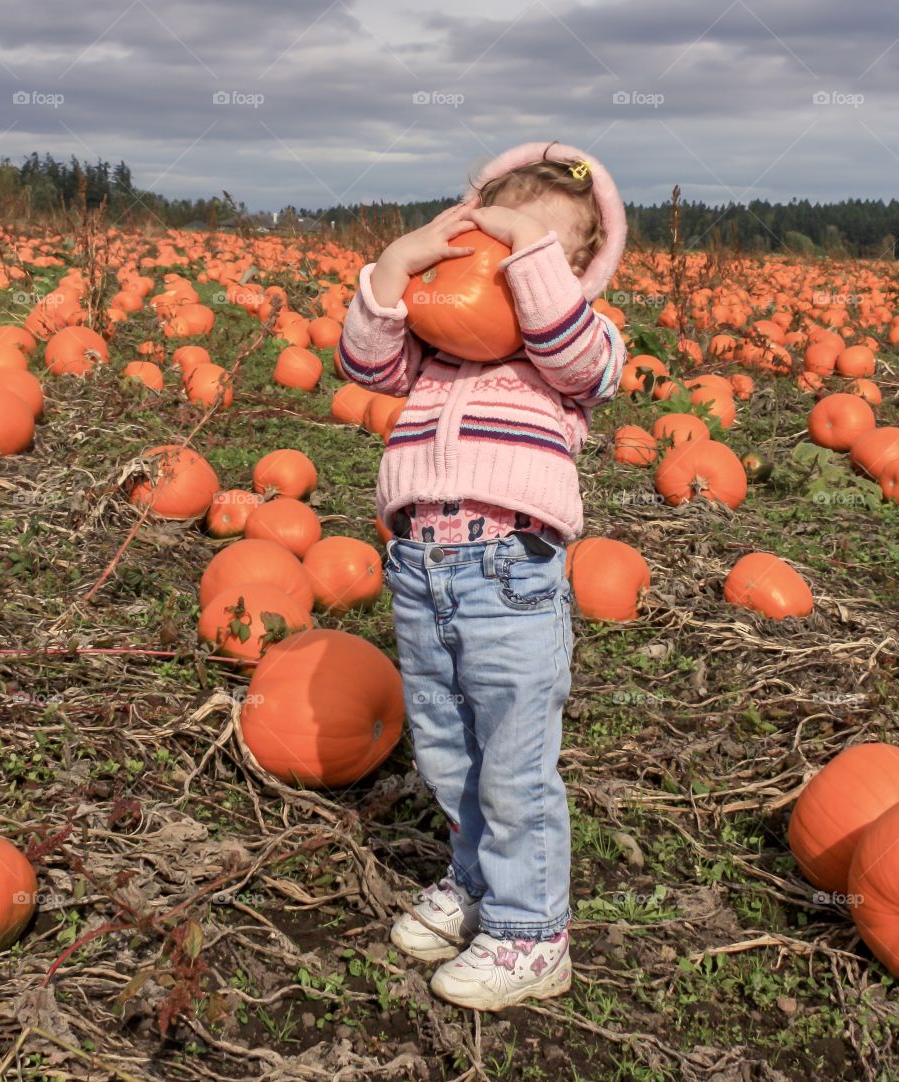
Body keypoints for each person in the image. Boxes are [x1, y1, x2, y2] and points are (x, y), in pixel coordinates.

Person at [336, 140, 627, 1010]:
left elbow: (582, 356)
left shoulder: (573, 352)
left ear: (571, 268)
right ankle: (476, 882)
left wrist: (528, 260)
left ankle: (533, 932)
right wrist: (395, 271)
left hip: (511, 576)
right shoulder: (436, 355)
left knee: (513, 761)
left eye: (530, 249)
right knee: (446, 748)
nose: (501, 263)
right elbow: (365, 367)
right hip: (420, 571)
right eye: (489, 243)